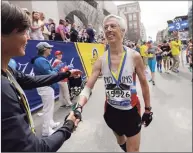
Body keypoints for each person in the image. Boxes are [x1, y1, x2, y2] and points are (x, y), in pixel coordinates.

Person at [2, 2, 81, 151]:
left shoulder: (8, 71)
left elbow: (30, 80)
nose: (28, 38)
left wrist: (66, 74)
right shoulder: (3, 89)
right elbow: (34, 149)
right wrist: (68, 126)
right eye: (23, 32)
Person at [72, 14, 153, 152]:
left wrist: (148, 109)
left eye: (113, 26)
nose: (108, 29)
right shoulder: (101, 60)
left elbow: (144, 84)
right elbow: (88, 87)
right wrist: (78, 107)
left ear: (122, 31)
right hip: (111, 111)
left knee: (133, 150)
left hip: (131, 111)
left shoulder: (134, 56)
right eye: (105, 27)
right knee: (120, 140)